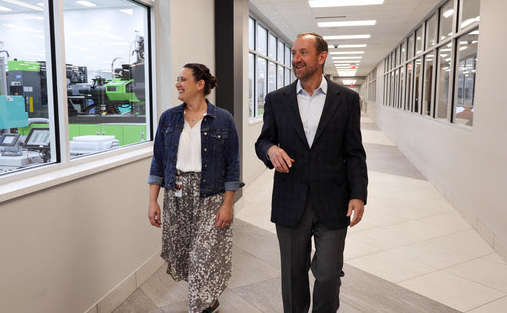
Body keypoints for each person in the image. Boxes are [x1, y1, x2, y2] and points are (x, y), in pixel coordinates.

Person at [255, 32, 368, 313]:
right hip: (290, 200)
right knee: (293, 277)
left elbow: (354, 151)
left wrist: (358, 195)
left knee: (329, 274)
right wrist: (270, 150)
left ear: (321, 57)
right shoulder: (276, 99)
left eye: (303, 53)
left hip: (333, 201)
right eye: (294, 53)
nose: (296, 59)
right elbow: (262, 141)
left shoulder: (347, 100)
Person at [148, 63, 241, 313]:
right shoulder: (168, 118)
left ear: (200, 85)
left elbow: (233, 164)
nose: (178, 84)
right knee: (184, 255)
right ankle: (209, 299)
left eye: (183, 79)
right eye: (177, 79)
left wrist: (228, 205)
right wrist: (153, 201)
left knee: (203, 257)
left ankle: (198, 307)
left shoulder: (223, 118)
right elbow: (158, 160)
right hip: (176, 195)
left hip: (211, 196)